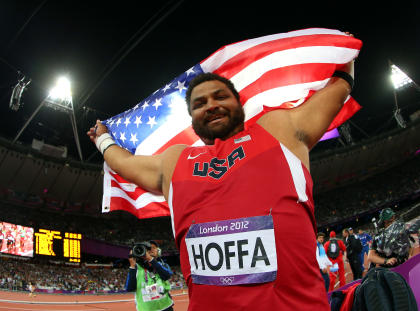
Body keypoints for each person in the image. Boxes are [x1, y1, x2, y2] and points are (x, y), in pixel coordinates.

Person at [88, 58, 355, 310]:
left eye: (220, 96)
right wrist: (103, 140)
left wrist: (344, 55)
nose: (211, 105)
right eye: (199, 103)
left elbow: (340, 87)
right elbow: (124, 164)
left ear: (239, 103)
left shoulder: (278, 131)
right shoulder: (175, 161)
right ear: (192, 119)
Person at [125, 240, 174, 311]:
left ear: (158, 251)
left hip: (166, 307)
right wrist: (132, 265)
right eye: (148, 248)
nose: (151, 250)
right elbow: (130, 288)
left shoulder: (162, 264)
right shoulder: (136, 268)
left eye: (153, 248)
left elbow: (166, 275)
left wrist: (151, 260)